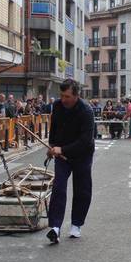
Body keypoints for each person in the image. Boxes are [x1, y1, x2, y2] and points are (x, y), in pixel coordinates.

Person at [46, 79, 95, 244]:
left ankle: (76, 224)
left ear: (76, 95)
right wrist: (52, 146)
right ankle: (55, 227)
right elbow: (54, 130)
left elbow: (86, 140)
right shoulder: (58, 106)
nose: (64, 99)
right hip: (62, 155)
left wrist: (63, 149)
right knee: (58, 187)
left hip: (83, 154)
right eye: (62, 95)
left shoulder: (86, 111)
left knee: (82, 189)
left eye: (67, 96)